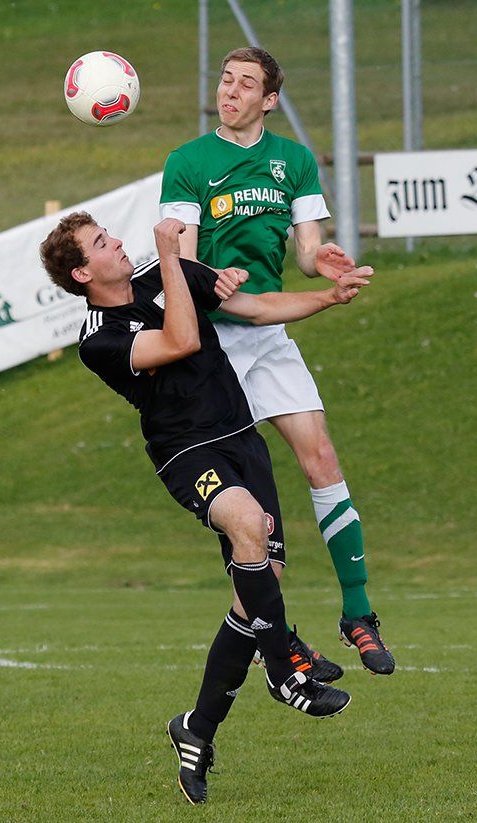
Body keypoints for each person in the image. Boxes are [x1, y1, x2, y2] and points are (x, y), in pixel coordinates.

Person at [40, 213, 370, 805]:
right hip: (187, 451)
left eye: (110, 234)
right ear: (83, 273)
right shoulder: (99, 339)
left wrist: (329, 297)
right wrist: (173, 259)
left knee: (256, 592)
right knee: (246, 523)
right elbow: (181, 341)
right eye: (102, 244)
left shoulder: (166, 274)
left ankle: (196, 729)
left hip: (243, 437)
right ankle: (284, 669)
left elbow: (255, 310)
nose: (118, 242)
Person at [159, 46, 394, 679]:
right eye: (225, 80)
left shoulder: (294, 161)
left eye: (245, 84)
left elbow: (308, 250)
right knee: (247, 513)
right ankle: (280, 638)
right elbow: (179, 260)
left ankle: (358, 612)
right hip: (212, 346)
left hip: (268, 334)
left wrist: (325, 262)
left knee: (323, 460)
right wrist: (212, 278)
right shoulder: (188, 163)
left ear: (270, 100)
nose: (229, 91)